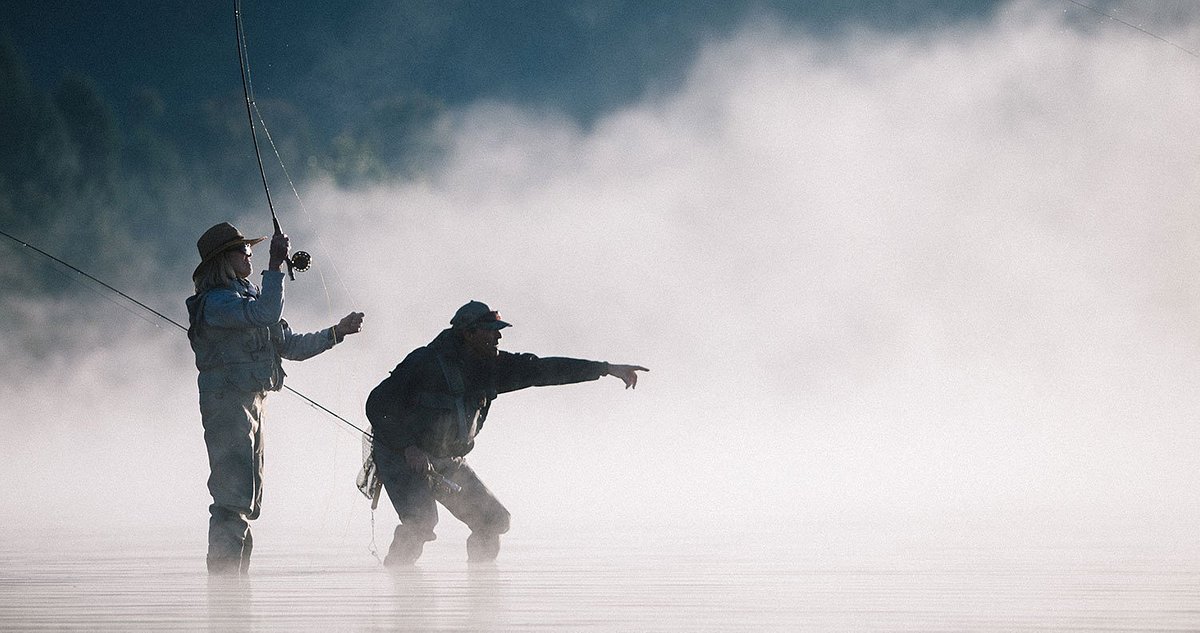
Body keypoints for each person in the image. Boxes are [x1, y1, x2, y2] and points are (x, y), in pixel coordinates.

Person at [364, 300, 647, 565]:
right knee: (421, 522)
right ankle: (397, 582)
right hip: (400, 455)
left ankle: (481, 593)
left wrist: (606, 369)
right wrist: (407, 447)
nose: (498, 337)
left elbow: (545, 369)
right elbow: (377, 404)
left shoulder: (494, 367)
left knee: (493, 521)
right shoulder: (424, 362)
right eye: (490, 331)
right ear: (468, 333)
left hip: (446, 459)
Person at [186, 222, 364, 575]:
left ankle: (234, 588)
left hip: (253, 403)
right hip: (226, 404)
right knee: (232, 498)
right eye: (243, 251)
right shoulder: (217, 302)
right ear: (223, 259)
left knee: (248, 499)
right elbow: (267, 313)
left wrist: (337, 332)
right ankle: (223, 585)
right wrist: (274, 265)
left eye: (251, 250)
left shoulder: (249, 297)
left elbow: (291, 346)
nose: (249, 255)